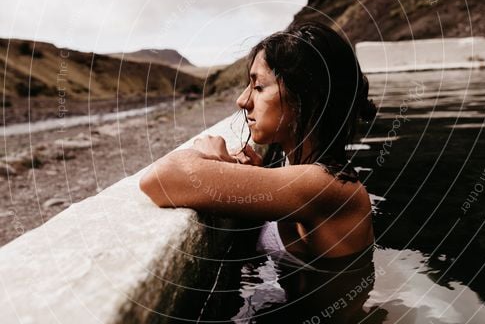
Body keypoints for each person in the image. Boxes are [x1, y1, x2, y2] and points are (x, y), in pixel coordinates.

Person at [139, 20, 376, 264]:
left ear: (308, 98)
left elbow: (160, 178)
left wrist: (209, 157)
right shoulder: (311, 177)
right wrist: (250, 176)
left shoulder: (326, 187)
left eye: (259, 87)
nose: (242, 101)